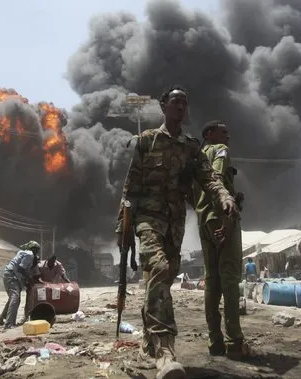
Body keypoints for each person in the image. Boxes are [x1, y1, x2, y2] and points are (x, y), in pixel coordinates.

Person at [115, 86, 238, 378]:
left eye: (184, 102)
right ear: (163, 106)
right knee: (157, 268)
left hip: (175, 223)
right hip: (148, 218)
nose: (181, 106)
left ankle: (149, 336)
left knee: (164, 277)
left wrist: (224, 196)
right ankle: (164, 351)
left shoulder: (191, 147)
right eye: (175, 101)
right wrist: (124, 225)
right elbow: (129, 186)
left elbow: (208, 177)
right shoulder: (147, 140)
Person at [193, 119, 255, 360]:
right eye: (223, 132)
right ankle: (234, 342)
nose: (228, 136)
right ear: (209, 134)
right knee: (229, 280)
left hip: (204, 221)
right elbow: (217, 177)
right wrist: (227, 218)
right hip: (222, 217)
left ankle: (214, 342)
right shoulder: (220, 150)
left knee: (212, 282)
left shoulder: (196, 158)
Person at [0, 241, 41, 329]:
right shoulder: (29, 255)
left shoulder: (25, 254)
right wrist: (29, 279)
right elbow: (21, 269)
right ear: (34, 249)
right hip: (12, 275)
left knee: (12, 298)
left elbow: (30, 273)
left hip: (11, 275)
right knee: (15, 298)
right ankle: (9, 324)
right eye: (37, 250)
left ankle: (2, 319)